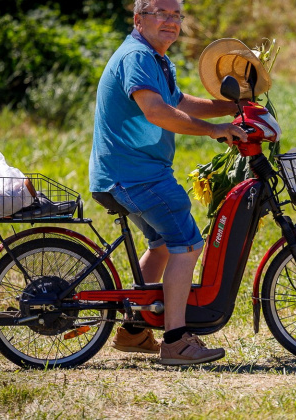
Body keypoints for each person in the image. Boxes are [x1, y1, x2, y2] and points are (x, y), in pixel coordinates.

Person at [89, 0, 248, 365]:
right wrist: (216, 131)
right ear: (138, 19)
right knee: (187, 245)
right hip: (135, 175)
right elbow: (157, 111)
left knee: (162, 246)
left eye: (177, 15)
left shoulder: (155, 58)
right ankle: (175, 341)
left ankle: (133, 331)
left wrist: (230, 108)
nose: (171, 22)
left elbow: (179, 102)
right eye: (161, 13)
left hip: (126, 174)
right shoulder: (137, 57)